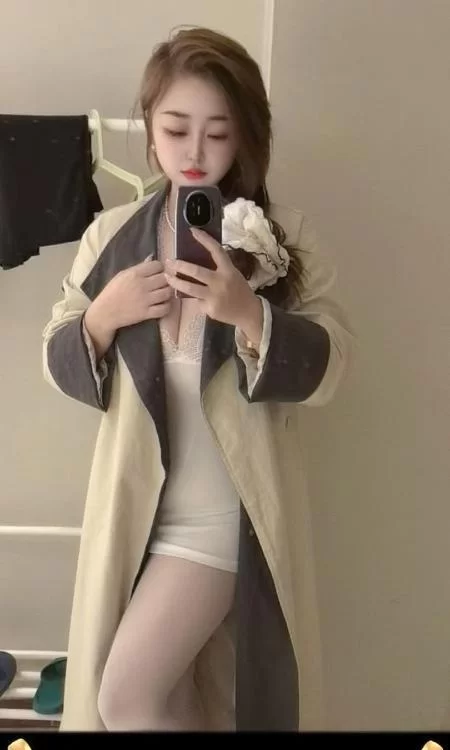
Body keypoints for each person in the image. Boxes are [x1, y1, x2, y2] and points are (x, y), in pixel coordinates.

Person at [42, 26, 355, 732]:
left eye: (217, 133)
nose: (194, 152)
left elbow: (334, 364)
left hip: (224, 520)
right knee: (174, 701)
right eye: (176, 128)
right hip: (134, 514)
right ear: (150, 130)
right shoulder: (110, 237)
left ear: (245, 138)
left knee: (124, 696)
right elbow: (57, 353)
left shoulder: (284, 237)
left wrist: (249, 314)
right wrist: (103, 317)